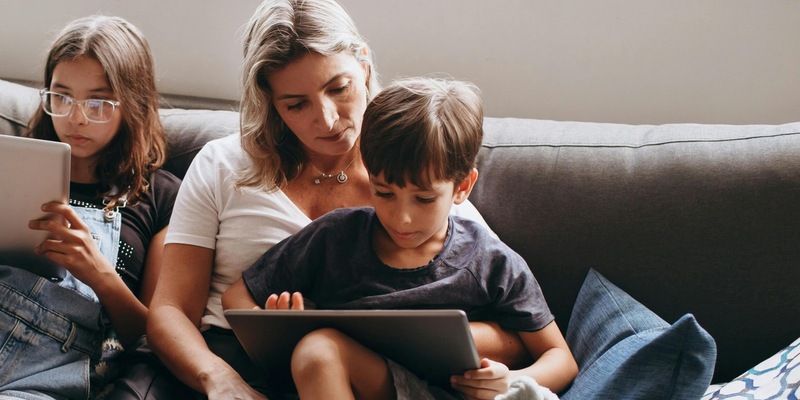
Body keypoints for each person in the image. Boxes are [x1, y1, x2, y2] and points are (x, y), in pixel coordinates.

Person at [147, 0, 526, 399]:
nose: (326, 119)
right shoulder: (222, 165)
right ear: (270, 101)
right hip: (233, 372)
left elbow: (518, 329)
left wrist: (394, 331)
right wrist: (220, 381)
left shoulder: (413, 175)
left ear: (363, 64)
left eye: (338, 88)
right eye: (296, 104)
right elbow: (169, 312)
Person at [222, 77, 578, 399]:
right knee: (317, 350)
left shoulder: (490, 261)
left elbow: (560, 359)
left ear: (462, 187)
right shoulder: (334, 237)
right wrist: (275, 325)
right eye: (384, 193)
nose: (401, 217)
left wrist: (511, 381)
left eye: (423, 199)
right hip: (362, 383)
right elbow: (237, 296)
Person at [0, 15, 184, 399]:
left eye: (98, 102)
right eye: (61, 97)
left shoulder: (161, 196)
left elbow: (155, 337)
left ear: (132, 102)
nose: (76, 117)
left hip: (50, 372)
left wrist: (100, 274)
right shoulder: (11, 163)